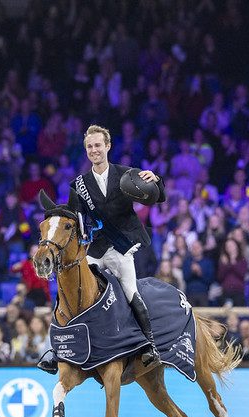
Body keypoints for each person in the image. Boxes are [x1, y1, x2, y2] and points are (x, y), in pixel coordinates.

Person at [43, 124, 165, 371]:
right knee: (69, 287)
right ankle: (56, 350)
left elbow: (157, 196)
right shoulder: (79, 184)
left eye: (98, 145)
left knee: (131, 291)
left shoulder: (126, 174)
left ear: (108, 146)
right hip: (97, 249)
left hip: (121, 248)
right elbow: (74, 216)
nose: (94, 150)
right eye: (89, 146)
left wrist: (156, 180)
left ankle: (150, 345)